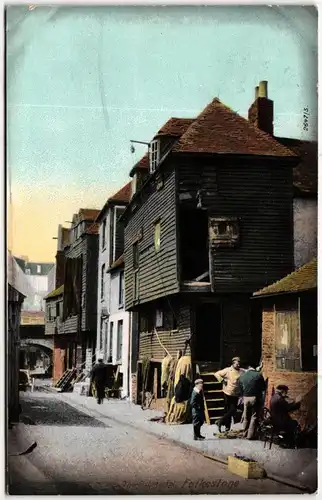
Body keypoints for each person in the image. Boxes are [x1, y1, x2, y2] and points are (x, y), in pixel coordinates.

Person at [213, 357, 244, 433]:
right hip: (228, 393)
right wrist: (222, 380)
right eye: (237, 364)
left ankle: (220, 421)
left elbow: (249, 372)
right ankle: (227, 426)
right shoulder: (228, 370)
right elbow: (216, 374)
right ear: (233, 364)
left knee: (231, 410)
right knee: (229, 410)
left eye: (239, 363)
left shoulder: (241, 371)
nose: (238, 365)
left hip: (236, 394)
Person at [239, 363, 266, 439]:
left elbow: (240, 387)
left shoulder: (243, 375)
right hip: (254, 397)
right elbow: (263, 387)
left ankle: (244, 433)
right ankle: (250, 435)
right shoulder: (258, 375)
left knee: (246, 416)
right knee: (254, 416)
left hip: (245, 397)